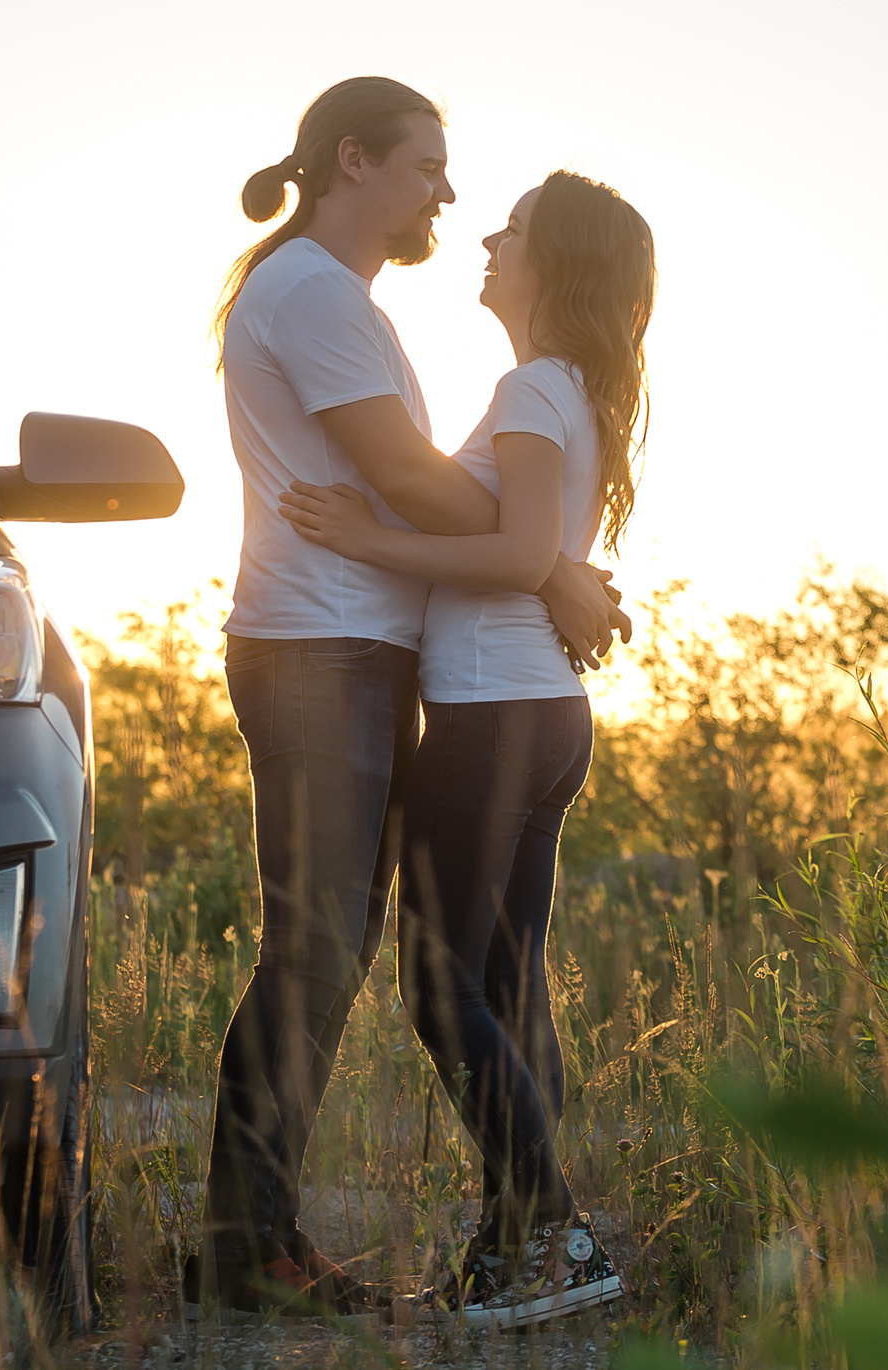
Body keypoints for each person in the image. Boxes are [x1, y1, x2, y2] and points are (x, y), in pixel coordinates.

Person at [192, 80, 629, 1317]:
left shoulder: (341, 300)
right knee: (323, 949)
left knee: (401, 958)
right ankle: (248, 1247)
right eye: (429, 163)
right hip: (319, 651)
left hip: (365, 650)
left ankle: (454, 1234)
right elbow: (401, 476)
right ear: (353, 159)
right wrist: (547, 565)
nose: (449, 191)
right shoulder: (315, 291)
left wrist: (532, 556)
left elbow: (417, 485)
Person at [281, 169, 655, 1327]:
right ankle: (512, 1251)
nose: (488, 237)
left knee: (443, 992)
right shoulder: (567, 386)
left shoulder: (535, 384)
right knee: (503, 986)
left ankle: (555, 1230)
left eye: (516, 229)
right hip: (536, 715)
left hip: (495, 713)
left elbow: (512, 552)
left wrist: (370, 532)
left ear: (559, 265)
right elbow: (536, 550)